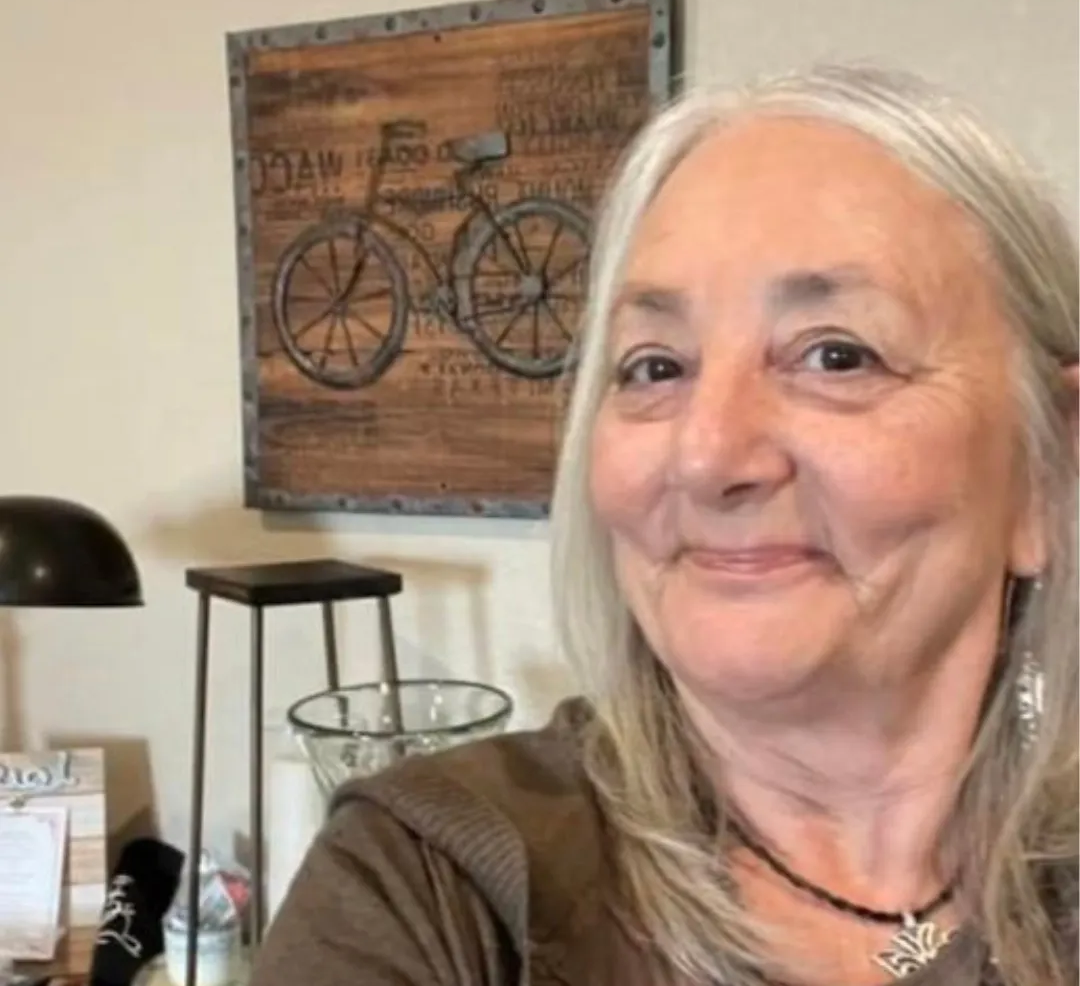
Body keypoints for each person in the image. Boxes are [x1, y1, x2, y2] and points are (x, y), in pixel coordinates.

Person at [249, 65, 1078, 986]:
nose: (707, 455)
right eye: (654, 368)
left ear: (1049, 468)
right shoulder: (432, 894)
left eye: (836, 354)